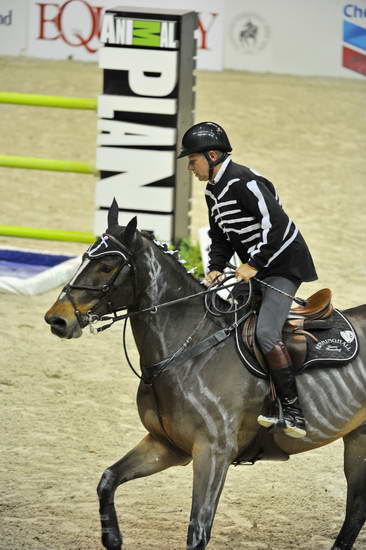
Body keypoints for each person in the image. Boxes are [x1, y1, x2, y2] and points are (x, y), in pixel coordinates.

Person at [177, 121, 318, 439]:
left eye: (192, 160)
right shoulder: (213, 191)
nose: (190, 167)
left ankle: (292, 410)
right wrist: (215, 266)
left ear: (212, 155)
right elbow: (220, 236)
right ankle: (254, 396)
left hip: (284, 264)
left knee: (267, 333)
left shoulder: (243, 180)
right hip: (258, 267)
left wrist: (254, 264)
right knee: (228, 321)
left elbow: (277, 225)